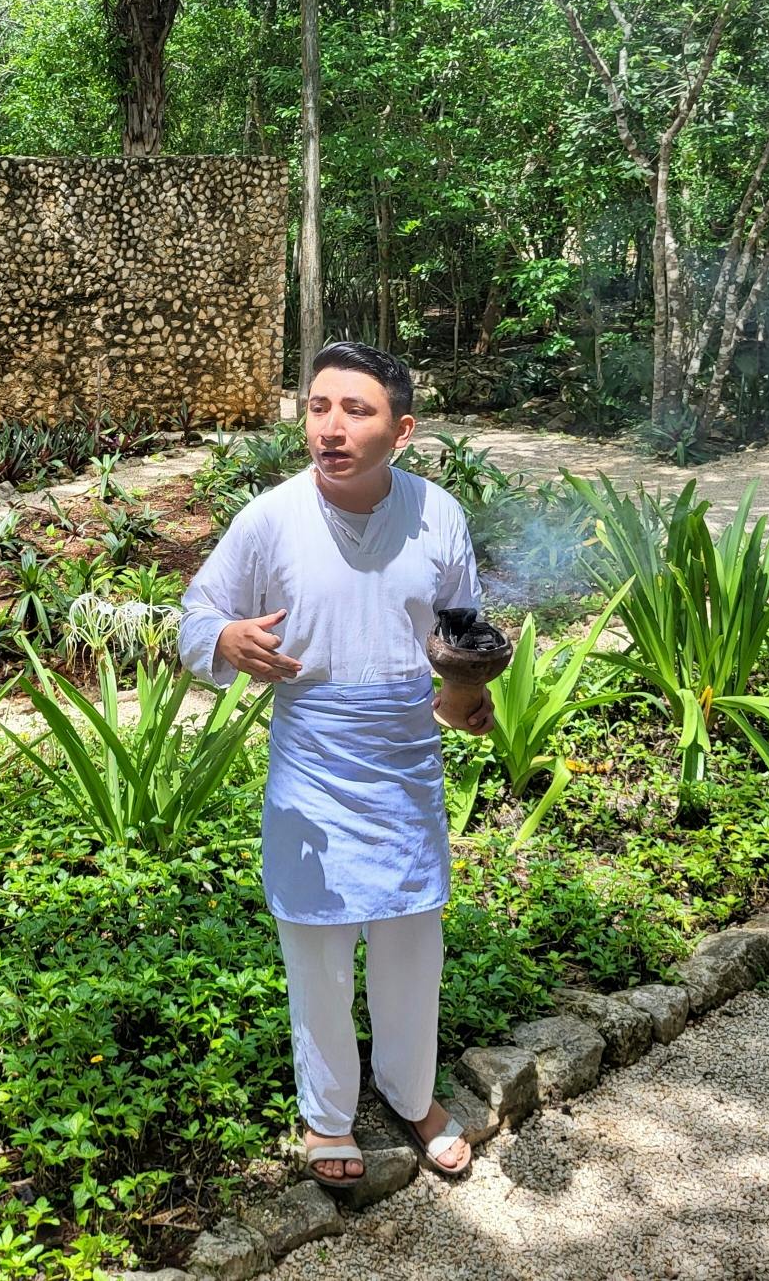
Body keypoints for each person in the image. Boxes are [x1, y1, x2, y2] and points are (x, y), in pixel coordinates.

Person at [178, 340, 494, 1186]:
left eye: (356, 410)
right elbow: (196, 612)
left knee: (410, 946)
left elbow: (461, 625)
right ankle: (326, 1117)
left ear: (403, 430)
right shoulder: (271, 518)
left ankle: (411, 1093)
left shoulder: (437, 514)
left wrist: (465, 690)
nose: (330, 427)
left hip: (405, 759)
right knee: (316, 954)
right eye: (318, 407)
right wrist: (224, 637)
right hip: (312, 762)